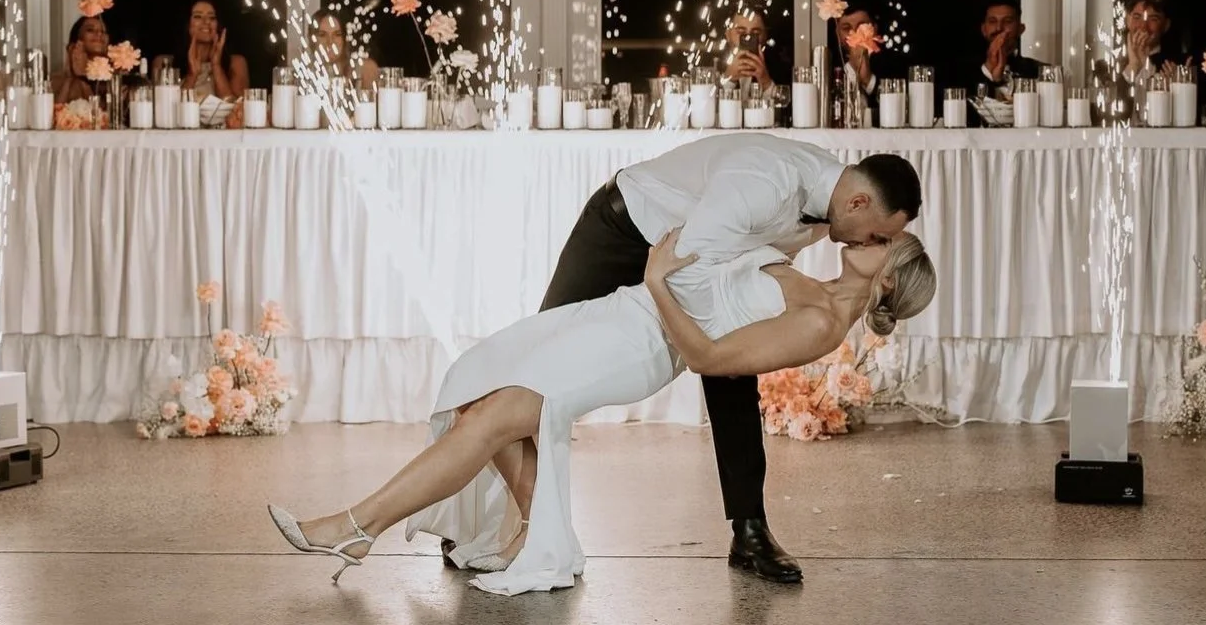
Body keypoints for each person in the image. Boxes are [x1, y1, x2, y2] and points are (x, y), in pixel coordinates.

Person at [268, 135, 928, 593]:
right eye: (880, 232)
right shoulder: (772, 187)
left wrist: (667, 294)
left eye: (884, 244)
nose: (875, 240)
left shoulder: (821, 293)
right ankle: (526, 526)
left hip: (655, 314)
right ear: (858, 204)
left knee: (513, 407)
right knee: (491, 385)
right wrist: (671, 291)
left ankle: (746, 527)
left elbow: (711, 322)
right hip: (625, 233)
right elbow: (704, 268)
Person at [50, 15, 110, 104]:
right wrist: (71, 77)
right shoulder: (56, 81)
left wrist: (84, 77)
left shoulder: (113, 80)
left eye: (103, 31)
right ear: (77, 41)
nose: (99, 34)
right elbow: (56, 109)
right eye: (90, 30)